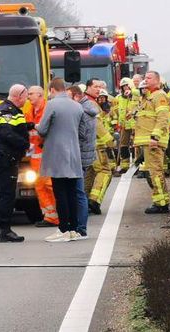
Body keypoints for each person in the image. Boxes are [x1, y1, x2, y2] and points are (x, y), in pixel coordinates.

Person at [36, 78, 87, 243]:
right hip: (74, 154)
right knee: (72, 192)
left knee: (60, 192)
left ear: (52, 90)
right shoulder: (77, 106)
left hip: (57, 154)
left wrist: (36, 127)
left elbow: (43, 129)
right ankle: (73, 228)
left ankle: (63, 228)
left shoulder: (52, 105)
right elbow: (83, 132)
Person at [0, 84, 31, 243]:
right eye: (26, 96)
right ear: (19, 96)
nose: (27, 100)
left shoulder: (3, 108)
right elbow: (6, 132)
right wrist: (25, 144)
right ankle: (4, 230)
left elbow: (9, 127)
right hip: (5, 157)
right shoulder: (8, 110)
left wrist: (29, 126)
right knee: (6, 194)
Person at [138, 71, 170, 214]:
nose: (145, 79)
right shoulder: (149, 96)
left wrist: (155, 137)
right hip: (149, 141)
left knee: (155, 172)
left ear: (157, 81)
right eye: (145, 77)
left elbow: (163, 118)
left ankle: (160, 203)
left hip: (154, 141)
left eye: (149, 77)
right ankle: (161, 201)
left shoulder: (160, 96)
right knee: (154, 172)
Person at [25, 85, 58, 228]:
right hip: (35, 156)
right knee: (40, 186)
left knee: (50, 185)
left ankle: (60, 215)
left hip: (47, 155)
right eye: (28, 94)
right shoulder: (29, 111)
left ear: (40, 95)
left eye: (31, 94)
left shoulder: (47, 109)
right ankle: (50, 217)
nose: (29, 96)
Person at [85, 78, 116, 214]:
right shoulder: (92, 104)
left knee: (90, 174)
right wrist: (110, 142)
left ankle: (84, 201)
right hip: (97, 146)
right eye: (95, 87)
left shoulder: (86, 101)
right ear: (88, 87)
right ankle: (94, 200)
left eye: (100, 87)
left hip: (87, 146)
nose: (98, 89)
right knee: (105, 171)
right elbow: (97, 126)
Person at [69, 84, 96, 237]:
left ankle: (80, 227)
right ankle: (79, 226)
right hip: (85, 154)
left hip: (79, 154)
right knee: (79, 191)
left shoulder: (83, 111)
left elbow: (82, 134)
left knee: (78, 192)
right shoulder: (88, 108)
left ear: (76, 96)